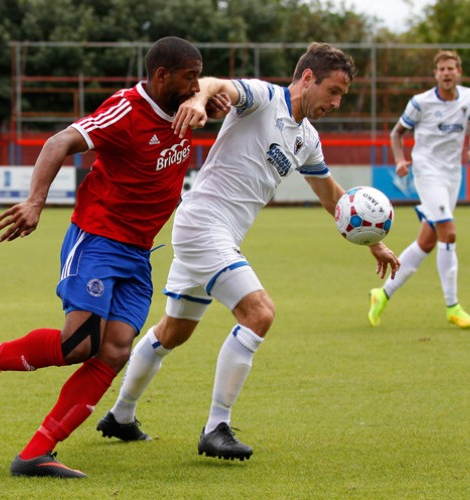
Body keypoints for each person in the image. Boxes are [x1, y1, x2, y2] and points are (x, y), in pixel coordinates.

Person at [96, 42, 400, 460]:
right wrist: (200, 99)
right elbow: (219, 85)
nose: (336, 102)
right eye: (334, 90)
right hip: (204, 224)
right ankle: (216, 426)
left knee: (173, 332)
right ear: (308, 78)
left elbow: (332, 196)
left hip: (218, 234)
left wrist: (375, 242)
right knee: (260, 313)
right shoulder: (265, 97)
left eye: (342, 96)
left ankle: (120, 415)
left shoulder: (308, 138)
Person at [0, 36, 228, 478]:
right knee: (77, 344)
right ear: (161, 76)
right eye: (189, 77)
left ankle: (36, 453)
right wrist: (36, 203)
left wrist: (206, 95)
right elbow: (58, 142)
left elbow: (220, 89)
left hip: (138, 251)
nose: (196, 85)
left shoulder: (185, 105)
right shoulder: (125, 111)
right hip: (98, 238)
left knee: (114, 350)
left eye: (199, 76)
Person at [368, 50, 470, 329]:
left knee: (427, 242)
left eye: (451, 68)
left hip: (453, 175)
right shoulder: (420, 102)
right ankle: (453, 306)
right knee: (449, 232)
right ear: (435, 74)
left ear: (459, 72)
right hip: (427, 171)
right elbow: (397, 133)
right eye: (441, 68)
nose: (446, 72)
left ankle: (381, 294)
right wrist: (399, 160)